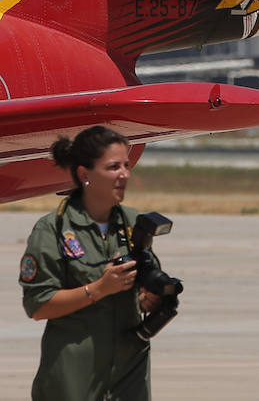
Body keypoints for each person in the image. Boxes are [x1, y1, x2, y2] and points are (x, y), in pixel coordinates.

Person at [19, 125, 160, 401]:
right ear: (85, 174)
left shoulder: (134, 224)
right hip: (73, 380)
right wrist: (98, 289)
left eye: (126, 165)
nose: (124, 174)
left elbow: (146, 283)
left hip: (128, 378)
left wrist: (150, 298)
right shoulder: (54, 229)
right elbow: (38, 305)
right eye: (113, 167)